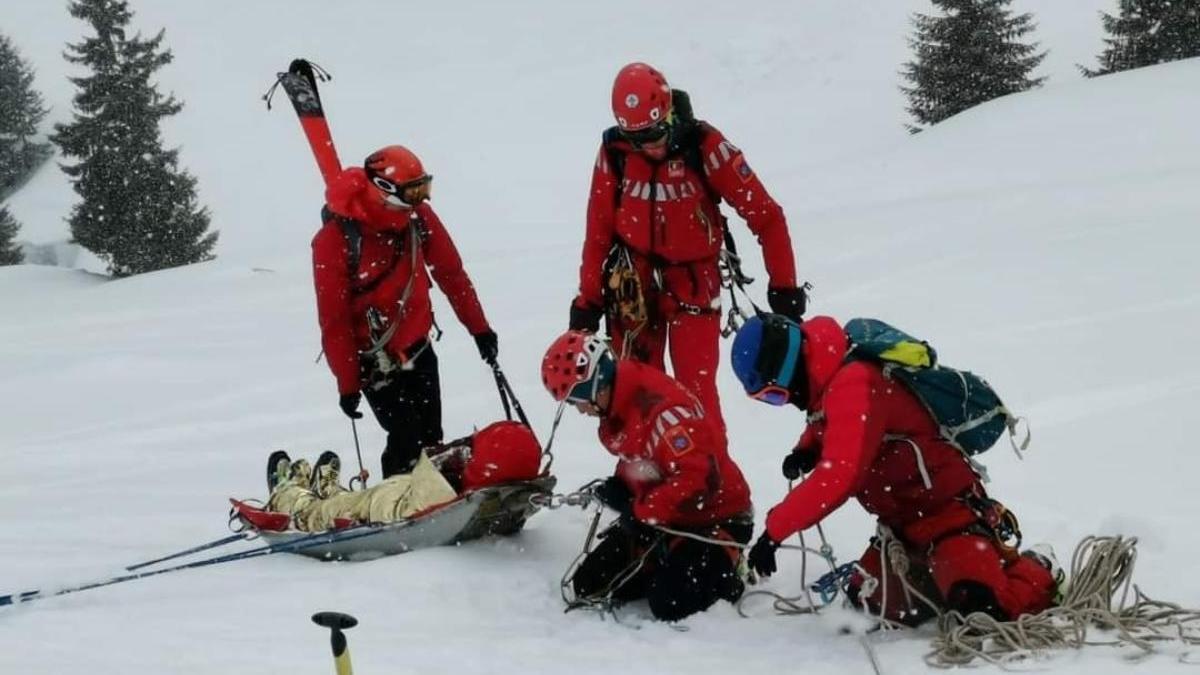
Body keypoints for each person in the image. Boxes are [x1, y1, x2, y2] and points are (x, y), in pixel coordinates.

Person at [730, 314, 1059, 624]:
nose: (784, 402)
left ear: (787, 367)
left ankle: (1039, 567)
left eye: (775, 394)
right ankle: (947, 576)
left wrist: (775, 531)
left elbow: (839, 476)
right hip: (903, 530)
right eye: (769, 400)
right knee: (866, 607)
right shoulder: (828, 378)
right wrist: (807, 449)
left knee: (981, 611)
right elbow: (830, 421)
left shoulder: (854, 381)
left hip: (947, 517)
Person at [568, 62, 807, 436]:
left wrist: (784, 286)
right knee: (634, 393)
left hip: (694, 285)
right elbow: (597, 231)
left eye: (656, 132)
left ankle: (716, 485)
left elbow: (767, 217)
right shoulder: (614, 153)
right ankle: (642, 480)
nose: (650, 144)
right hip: (632, 284)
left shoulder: (706, 147)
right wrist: (588, 301)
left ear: (668, 113)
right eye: (638, 138)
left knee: (694, 395)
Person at [540, 330, 753, 621]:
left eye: (577, 400)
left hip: (716, 517)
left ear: (595, 386)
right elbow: (644, 457)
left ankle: (731, 566)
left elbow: (698, 479)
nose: (579, 410)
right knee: (590, 584)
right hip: (665, 518)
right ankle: (666, 558)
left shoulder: (666, 414)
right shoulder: (621, 402)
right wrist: (623, 484)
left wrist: (642, 512)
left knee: (669, 603)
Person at [313, 145, 498, 478]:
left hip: (419, 348)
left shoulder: (417, 218)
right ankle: (397, 507)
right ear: (383, 189)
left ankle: (431, 502)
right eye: (413, 190)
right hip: (374, 362)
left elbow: (451, 273)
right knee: (406, 437)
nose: (421, 200)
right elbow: (334, 320)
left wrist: (479, 329)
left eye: (423, 187)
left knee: (430, 438)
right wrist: (348, 383)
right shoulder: (335, 240)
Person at [261, 421, 542, 532]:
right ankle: (329, 491)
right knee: (357, 497)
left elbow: (429, 469)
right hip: (399, 491)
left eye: (472, 450)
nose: (465, 449)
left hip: (381, 508)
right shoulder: (486, 488)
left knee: (325, 511)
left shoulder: (443, 490)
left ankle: (287, 496)